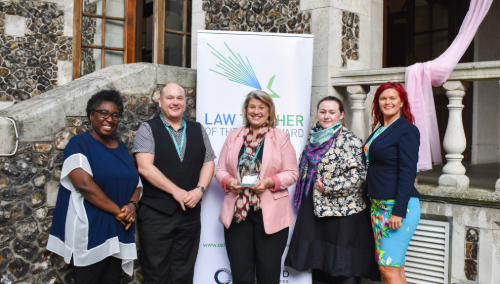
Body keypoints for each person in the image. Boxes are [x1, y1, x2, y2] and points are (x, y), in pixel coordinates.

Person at [47, 90, 142, 283]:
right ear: (92, 115)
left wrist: (132, 204)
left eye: (115, 115)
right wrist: (119, 211)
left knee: (113, 280)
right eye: (104, 113)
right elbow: (84, 184)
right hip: (91, 230)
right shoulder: (79, 143)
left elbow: (136, 181)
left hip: (118, 229)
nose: (110, 119)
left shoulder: (121, 148)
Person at [285, 96, 381, 284]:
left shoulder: (350, 140)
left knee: (344, 266)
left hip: (344, 213)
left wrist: (327, 186)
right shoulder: (314, 139)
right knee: (320, 263)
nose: (326, 116)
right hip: (317, 211)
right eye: (323, 112)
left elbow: (358, 177)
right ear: (317, 114)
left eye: (332, 112)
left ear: (341, 115)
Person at [133, 83, 216, 284]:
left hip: (190, 213)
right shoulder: (147, 129)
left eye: (179, 98)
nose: (175, 102)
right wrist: (177, 192)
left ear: (185, 103)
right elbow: (145, 167)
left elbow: (208, 161)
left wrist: (200, 190)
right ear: (160, 102)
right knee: (156, 272)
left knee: (184, 271)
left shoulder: (198, 129)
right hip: (156, 215)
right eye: (170, 98)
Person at [214, 90, 298, 284]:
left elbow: (292, 173)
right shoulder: (234, 136)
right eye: (252, 106)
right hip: (238, 214)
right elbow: (219, 169)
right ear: (246, 110)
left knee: (268, 274)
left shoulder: (280, 137)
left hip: (270, 214)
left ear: (269, 112)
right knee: (241, 274)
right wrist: (229, 182)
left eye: (262, 107)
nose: (256, 111)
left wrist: (268, 182)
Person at [363, 82, 421, 284]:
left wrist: (398, 210)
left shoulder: (406, 130)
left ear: (402, 101)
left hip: (395, 207)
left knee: (388, 268)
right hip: (378, 207)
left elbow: (408, 171)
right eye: (383, 98)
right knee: (393, 267)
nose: (387, 102)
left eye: (392, 98)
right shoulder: (381, 129)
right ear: (377, 102)